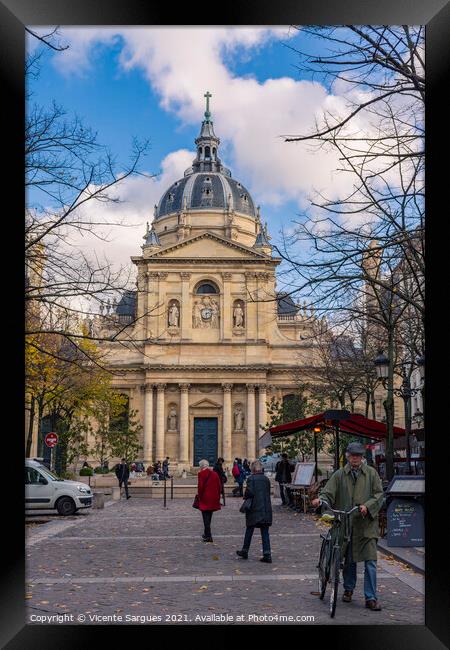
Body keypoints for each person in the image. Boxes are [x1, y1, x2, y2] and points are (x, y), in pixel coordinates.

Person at [312, 441, 384, 611]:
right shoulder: (339, 475)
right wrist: (321, 501)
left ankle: (371, 597)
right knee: (350, 560)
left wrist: (368, 506)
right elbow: (327, 493)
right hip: (346, 525)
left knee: (370, 562)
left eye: (358, 456)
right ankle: (348, 590)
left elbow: (379, 494)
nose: (355, 459)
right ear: (347, 457)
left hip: (366, 526)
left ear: (362, 457)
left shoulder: (371, 474)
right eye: (352, 456)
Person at [236, 460, 273, 563]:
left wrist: (245, 495)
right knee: (265, 531)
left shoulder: (251, 479)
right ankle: (267, 553)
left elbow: (250, 492)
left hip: (255, 508)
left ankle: (245, 550)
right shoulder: (266, 479)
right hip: (265, 508)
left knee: (249, 530)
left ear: (253, 468)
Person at [197, 459, 222, 543]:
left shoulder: (201, 474)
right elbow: (219, 486)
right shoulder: (214, 474)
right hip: (213, 498)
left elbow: (200, 487)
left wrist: (200, 497)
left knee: (205, 518)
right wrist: (218, 496)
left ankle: (209, 536)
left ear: (201, 466)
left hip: (205, 498)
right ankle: (206, 534)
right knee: (209, 516)